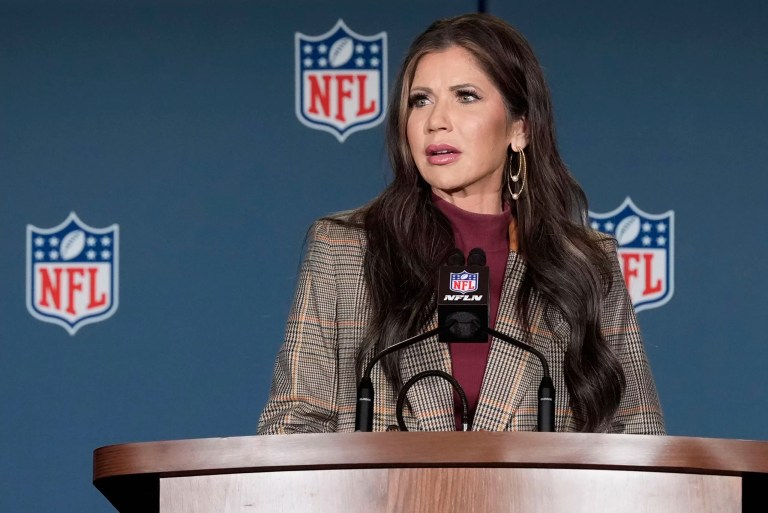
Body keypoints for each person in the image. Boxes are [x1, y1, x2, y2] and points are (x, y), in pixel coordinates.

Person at [258, 13, 665, 435]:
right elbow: (293, 430)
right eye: (420, 100)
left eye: (466, 96)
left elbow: (636, 436)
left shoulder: (585, 265)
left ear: (519, 128)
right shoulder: (346, 251)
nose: (437, 120)